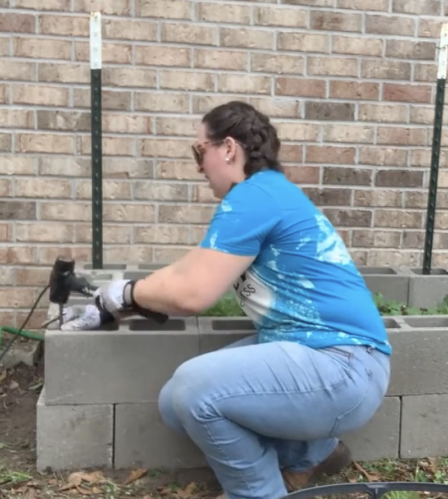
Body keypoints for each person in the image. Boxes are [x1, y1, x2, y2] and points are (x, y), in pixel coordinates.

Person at [59, 100, 393, 499]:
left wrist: (126, 292)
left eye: (200, 151)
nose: (199, 166)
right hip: (328, 360)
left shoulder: (255, 197)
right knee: (174, 401)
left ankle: (258, 493)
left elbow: (193, 293)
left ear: (229, 148)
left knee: (196, 390)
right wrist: (116, 301)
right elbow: (187, 271)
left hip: (341, 365)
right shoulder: (265, 195)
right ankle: (311, 454)